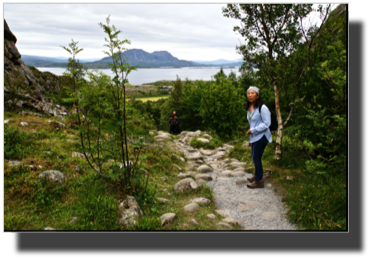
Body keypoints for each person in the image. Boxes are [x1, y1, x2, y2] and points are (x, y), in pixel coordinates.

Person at [245, 86, 272, 189]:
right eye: (248, 93)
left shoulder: (263, 107)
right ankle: (257, 175)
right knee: (254, 157)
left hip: (262, 136)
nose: (250, 95)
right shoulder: (249, 107)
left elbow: (267, 123)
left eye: (253, 93)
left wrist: (253, 130)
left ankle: (259, 181)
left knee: (257, 158)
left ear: (257, 95)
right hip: (254, 136)